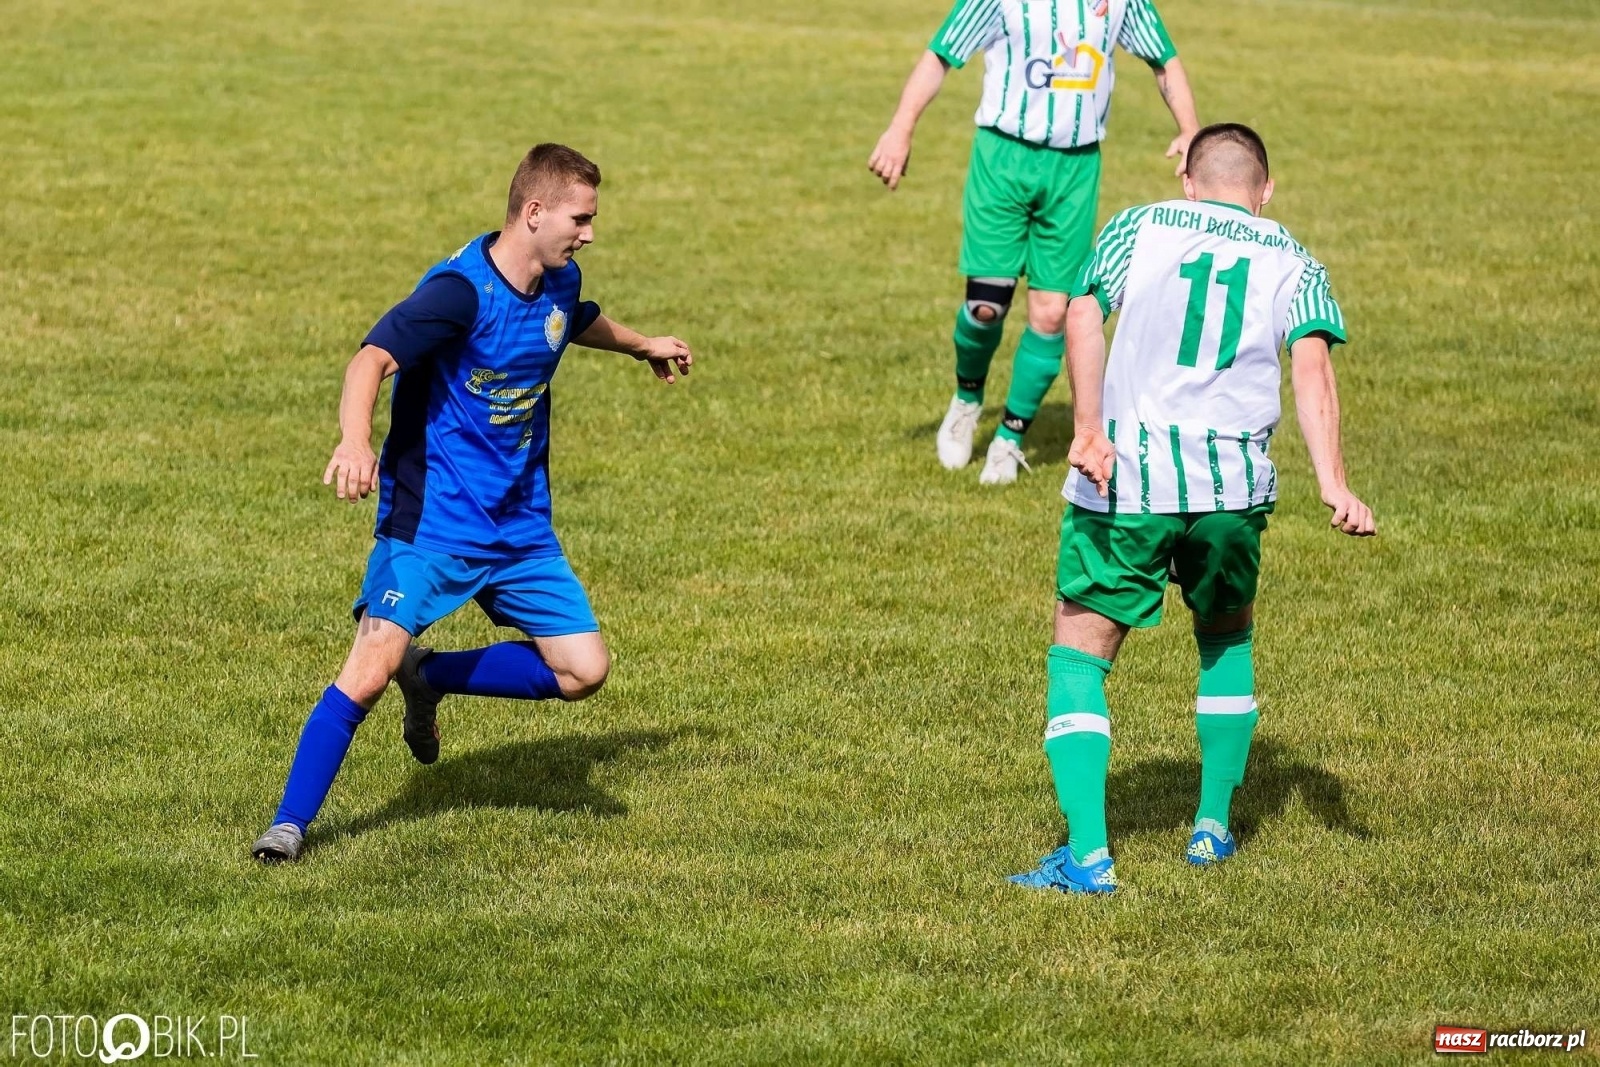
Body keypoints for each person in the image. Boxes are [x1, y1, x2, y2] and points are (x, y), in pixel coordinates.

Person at [251, 143, 693, 863]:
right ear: (534, 212)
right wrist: (354, 440)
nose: (589, 233)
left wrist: (641, 343)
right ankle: (288, 826)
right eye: (581, 219)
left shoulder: (558, 277)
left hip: (519, 523)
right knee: (366, 669)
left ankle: (430, 677)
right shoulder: (458, 295)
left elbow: (571, 318)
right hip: (431, 522)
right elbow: (371, 358)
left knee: (585, 669)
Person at [1009, 123, 1374, 894]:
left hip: (1127, 479)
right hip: (1232, 489)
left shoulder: (1139, 226)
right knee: (1225, 637)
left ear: (1190, 182)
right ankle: (1211, 828)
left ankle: (1090, 857)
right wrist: (1334, 483)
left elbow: (1080, 313)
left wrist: (1085, 430)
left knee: (1080, 650)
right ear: (1264, 190)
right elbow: (1312, 373)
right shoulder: (1295, 261)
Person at [869, 0, 1199, 485]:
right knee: (986, 305)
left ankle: (1009, 437)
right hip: (1002, 158)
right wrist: (901, 128)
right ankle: (966, 398)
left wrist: (1190, 128)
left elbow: (1163, 59)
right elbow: (940, 55)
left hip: (1074, 169)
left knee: (1051, 313)